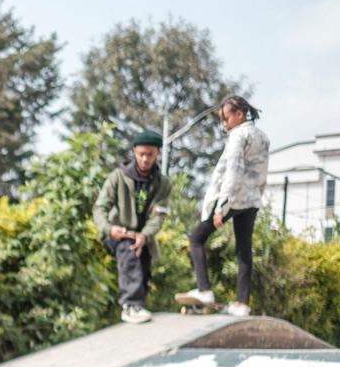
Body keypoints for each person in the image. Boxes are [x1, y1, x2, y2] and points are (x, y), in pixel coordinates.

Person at [176, 95, 270, 316]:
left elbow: (233, 171)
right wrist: (256, 197)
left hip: (233, 198)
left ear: (240, 114)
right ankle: (242, 304)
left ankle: (204, 290)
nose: (224, 124)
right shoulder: (263, 137)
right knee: (244, 250)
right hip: (252, 199)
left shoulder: (238, 135)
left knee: (196, 238)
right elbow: (261, 173)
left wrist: (222, 206)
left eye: (226, 118)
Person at [93, 130, 173, 324]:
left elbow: (158, 216)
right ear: (134, 153)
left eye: (150, 154)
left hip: (144, 237)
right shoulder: (117, 177)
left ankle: (138, 306)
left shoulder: (163, 183)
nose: (145, 159)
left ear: (157, 154)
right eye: (141, 154)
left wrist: (144, 235)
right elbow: (100, 207)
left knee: (143, 269)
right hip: (118, 233)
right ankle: (130, 305)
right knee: (130, 248)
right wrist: (108, 228)